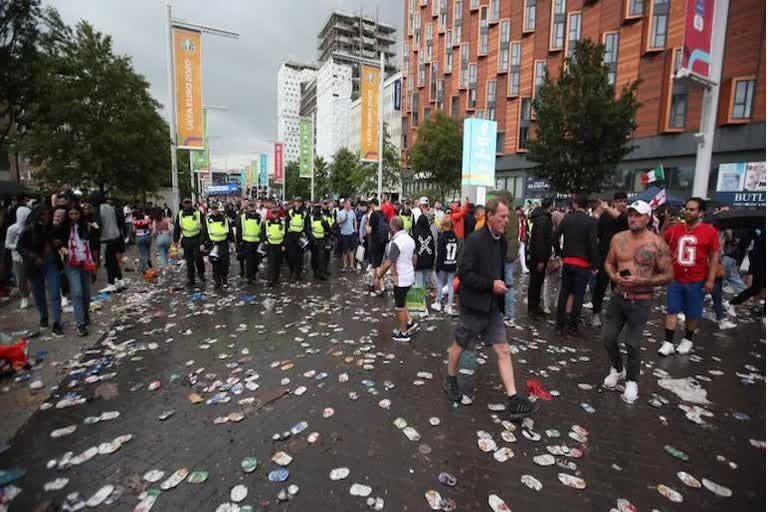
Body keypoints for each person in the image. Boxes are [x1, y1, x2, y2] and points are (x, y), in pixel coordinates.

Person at [442, 198, 540, 420]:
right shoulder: (474, 241)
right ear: (490, 216)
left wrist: (501, 286)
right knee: (459, 345)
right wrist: (490, 285)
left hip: (493, 307)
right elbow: (464, 275)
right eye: (503, 216)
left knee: (503, 350)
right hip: (474, 306)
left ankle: (514, 400)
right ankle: (450, 380)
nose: (507, 220)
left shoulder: (502, 241)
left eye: (507, 216)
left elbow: (495, 270)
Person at [601, 200, 673, 403]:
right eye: (631, 214)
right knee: (607, 338)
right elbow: (608, 262)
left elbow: (669, 275)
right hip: (618, 297)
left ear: (648, 218)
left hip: (641, 299)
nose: (632, 218)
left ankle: (632, 380)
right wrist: (613, 275)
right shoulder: (618, 238)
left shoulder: (657, 243)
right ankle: (618, 368)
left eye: (638, 215)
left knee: (632, 343)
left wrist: (642, 280)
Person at [658, 197, 720, 356]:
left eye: (692, 209)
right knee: (671, 309)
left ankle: (687, 339)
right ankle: (668, 342)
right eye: (686, 208)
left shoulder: (709, 231)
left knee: (692, 313)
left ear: (701, 212)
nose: (687, 211)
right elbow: (658, 242)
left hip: (696, 279)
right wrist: (665, 224)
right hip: (676, 278)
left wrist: (711, 279)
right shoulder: (676, 228)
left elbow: (714, 256)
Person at [553, 193, 599, 337]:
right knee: (578, 295)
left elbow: (555, 236)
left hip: (567, 261)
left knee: (564, 293)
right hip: (583, 263)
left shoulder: (567, 219)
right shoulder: (591, 222)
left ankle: (559, 324)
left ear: (575, 204)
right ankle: (573, 326)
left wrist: (560, 252)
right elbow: (593, 244)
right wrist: (595, 263)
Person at [18, 206, 64, 336]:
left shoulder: (53, 228)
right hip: (35, 265)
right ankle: (44, 316)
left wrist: (58, 243)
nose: (45, 218)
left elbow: (61, 240)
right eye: (42, 215)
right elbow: (20, 247)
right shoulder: (28, 231)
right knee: (38, 294)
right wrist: (33, 256)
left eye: (47, 215)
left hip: (51, 264)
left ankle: (56, 322)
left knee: (55, 293)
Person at [374, 216, 417, 342]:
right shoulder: (410, 239)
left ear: (393, 227)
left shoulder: (397, 242)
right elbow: (414, 258)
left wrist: (379, 276)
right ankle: (409, 322)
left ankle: (403, 333)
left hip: (401, 278)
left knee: (400, 306)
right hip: (409, 274)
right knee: (404, 302)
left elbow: (388, 262)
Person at [591, 192, 629, 328]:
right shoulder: (605, 217)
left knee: (619, 288)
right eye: (620, 201)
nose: (623, 204)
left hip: (622, 260)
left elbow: (622, 220)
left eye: (625, 201)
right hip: (605, 257)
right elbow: (599, 236)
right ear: (615, 202)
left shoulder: (627, 217)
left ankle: (616, 314)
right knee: (600, 287)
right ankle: (596, 313)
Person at [60, 206, 95, 337]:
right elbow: (55, 239)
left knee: (86, 293)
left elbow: (90, 244)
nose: (74, 216)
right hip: (71, 263)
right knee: (77, 292)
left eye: (76, 213)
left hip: (85, 262)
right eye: (71, 213)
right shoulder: (64, 228)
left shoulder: (85, 227)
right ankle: (80, 323)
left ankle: (85, 315)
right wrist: (62, 248)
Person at [526, 198, 554, 319]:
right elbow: (541, 242)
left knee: (536, 282)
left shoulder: (540, 218)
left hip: (535, 256)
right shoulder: (544, 220)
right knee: (536, 283)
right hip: (538, 258)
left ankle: (534, 307)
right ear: (551, 205)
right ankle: (533, 309)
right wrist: (542, 260)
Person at [727, 227, 765, 313]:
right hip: (760, 262)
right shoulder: (760, 229)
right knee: (756, 288)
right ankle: (733, 302)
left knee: (758, 287)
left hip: (758, 261)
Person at [173, 198, 207, 288]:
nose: (187, 204)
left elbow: (204, 227)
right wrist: (175, 240)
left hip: (197, 239)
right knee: (189, 261)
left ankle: (201, 273)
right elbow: (177, 227)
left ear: (191, 203)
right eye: (185, 203)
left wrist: (203, 241)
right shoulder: (180, 214)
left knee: (199, 259)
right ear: (183, 204)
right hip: (187, 240)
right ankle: (191, 279)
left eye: (189, 203)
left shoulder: (197, 213)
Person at [98, 197, 127, 293]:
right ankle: (119, 280)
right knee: (115, 261)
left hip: (105, 239)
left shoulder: (99, 209)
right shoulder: (112, 208)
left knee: (108, 262)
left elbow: (98, 224)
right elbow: (121, 221)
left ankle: (111, 283)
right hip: (117, 236)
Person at [5, 205, 31, 309]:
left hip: (29, 256)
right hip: (17, 257)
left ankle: (29, 293)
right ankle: (24, 297)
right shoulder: (12, 229)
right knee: (20, 278)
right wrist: (18, 247)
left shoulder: (29, 227)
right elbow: (7, 244)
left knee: (32, 277)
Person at [433, 215, 458, 315]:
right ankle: (449, 306)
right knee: (450, 285)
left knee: (440, 283)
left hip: (443, 264)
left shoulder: (442, 236)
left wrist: (437, 266)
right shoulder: (455, 236)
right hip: (452, 263)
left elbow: (440, 253)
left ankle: (438, 302)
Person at [205, 203, 234, 289]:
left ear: (218, 209)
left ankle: (224, 280)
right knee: (215, 264)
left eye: (216, 208)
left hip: (223, 244)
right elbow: (204, 231)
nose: (214, 210)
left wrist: (232, 241)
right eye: (213, 209)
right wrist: (203, 243)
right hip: (213, 244)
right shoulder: (208, 220)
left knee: (224, 264)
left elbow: (230, 231)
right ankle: (217, 281)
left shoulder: (224, 219)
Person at [236, 200, 263, 284]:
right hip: (247, 242)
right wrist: (239, 241)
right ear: (248, 207)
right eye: (250, 206)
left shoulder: (259, 217)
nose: (251, 207)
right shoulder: (243, 217)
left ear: (255, 207)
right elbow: (239, 229)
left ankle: (254, 273)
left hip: (257, 242)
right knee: (249, 261)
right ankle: (249, 277)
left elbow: (262, 229)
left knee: (256, 260)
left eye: (253, 206)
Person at [502, 203, 520, 327]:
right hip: (512, 253)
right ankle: (509, 315)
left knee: (504, 283)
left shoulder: (505, 216)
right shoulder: (516, 217)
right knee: (508, 284)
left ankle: (508, 315)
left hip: (503, 253)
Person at [366, 199, 388, 297]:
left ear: (371, 205)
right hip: (383, 241)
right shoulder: (383, 214)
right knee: (376, 263)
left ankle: (383, 288)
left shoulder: (373, 215)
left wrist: (367, 225)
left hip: (375, 241)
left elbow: (369, 231)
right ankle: (372, 284)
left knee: (377, 265)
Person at [263, 205, 285, 287]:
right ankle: (271, 280)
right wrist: (265, 240)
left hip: (279, 244)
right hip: (271, 244)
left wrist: (283, 244)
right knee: (271, 263)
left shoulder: (282, 222)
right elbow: (265, 232)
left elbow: (284, 233)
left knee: (278, 263)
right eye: (273, 213)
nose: (274, 214)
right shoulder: (268, 222)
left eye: (276, 213)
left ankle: (276, 279)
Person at [309, 204, 332, 280]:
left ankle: (321, 273)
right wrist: (312, 239)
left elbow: (328, 229)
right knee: (314, 257)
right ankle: (315, 271)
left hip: (321, 240)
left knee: (321, 257)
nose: (317, 210)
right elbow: (308, 229)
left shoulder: (323, 218)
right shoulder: (311, 218)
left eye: (319, 208)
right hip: (313, 240)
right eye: (316, 208)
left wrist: (324, 224)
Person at [81, 202, 101, 283]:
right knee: (88, 257)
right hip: (86, 240)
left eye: (87, 209)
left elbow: (98, 227)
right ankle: (91, 272)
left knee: (95, 257)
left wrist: (92, 225)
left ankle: (94, 274)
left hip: (94, 239)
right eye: (84, 209)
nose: (86, 210)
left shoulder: (94, 218)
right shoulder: (81, 219)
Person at [337, 199, 357, 272]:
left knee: (352, 250)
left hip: (351, 233)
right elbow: (338, 222)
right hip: (344, 233)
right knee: (345, 250)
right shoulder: (340, 213)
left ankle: (351, 265)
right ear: (344, 204)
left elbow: (355, 220)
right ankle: (345, 265)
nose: (349, 206)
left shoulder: (352, 212)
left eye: (350, 204)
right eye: (348, 204)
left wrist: (355, 229)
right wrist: (343, 220)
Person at [133, 206, 153, 272]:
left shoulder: (135, 220)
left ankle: (145, 268)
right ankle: (148, 263)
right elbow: (150, 228)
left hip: (139, 237)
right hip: (147, 236)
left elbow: (134, 230)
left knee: (142, 253)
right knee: (147, 251)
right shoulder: (147, 219)